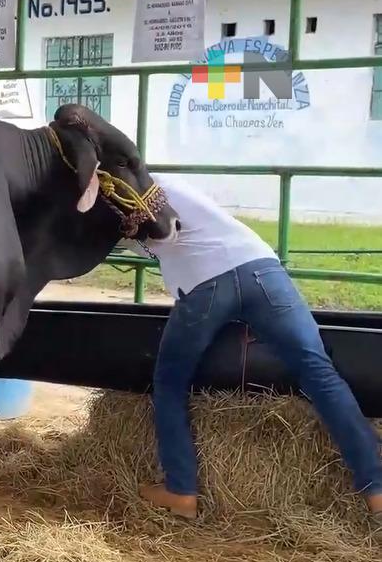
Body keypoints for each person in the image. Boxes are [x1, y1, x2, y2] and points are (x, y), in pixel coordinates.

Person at [125, 175, 382, 521]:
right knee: (320, 372)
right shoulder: (161, 181)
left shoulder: (118, 194)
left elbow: (144, 241)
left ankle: (181, 490)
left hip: (205, 285)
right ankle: (376, 489)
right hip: (261, 266)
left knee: (170, 383)